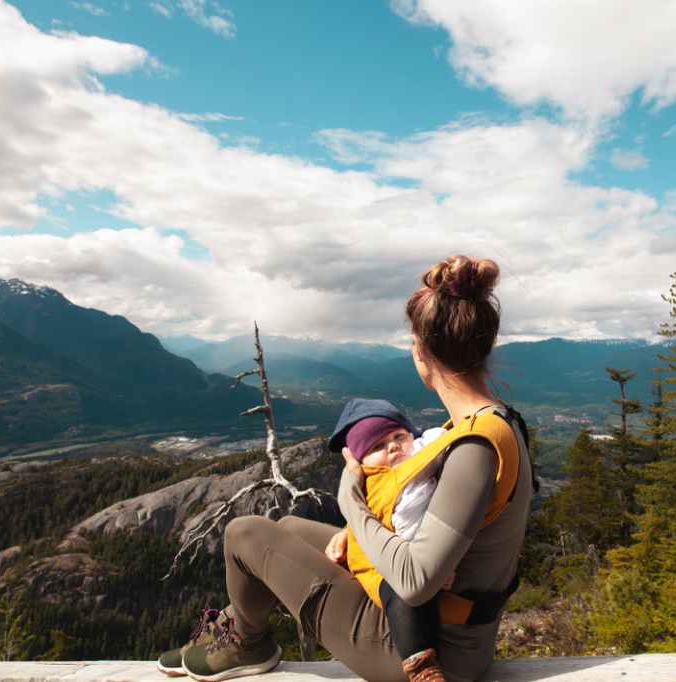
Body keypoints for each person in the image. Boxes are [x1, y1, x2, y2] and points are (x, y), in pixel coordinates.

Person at [161, 255, 533, 682]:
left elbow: (414, 581)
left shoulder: (474, 448)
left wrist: (350, 501)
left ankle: (249, 641)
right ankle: (225, 632)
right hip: (444, 627)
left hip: (427, 650)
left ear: (420, 350)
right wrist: (358, 529)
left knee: (244, 533)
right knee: (289, 529)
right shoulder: (493, 423)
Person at [326, 398, 450, 682]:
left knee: (425, 599)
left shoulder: (424, 455)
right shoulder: (373, 483)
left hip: (426, 554)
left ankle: (436, 656)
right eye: (377, 446)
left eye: (398, 436)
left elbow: (442, 438)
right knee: (402, 596)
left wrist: (442, 563)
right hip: (380, 564)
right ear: (362, 461)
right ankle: (421, 668)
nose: (392, 446)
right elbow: (371, 520)